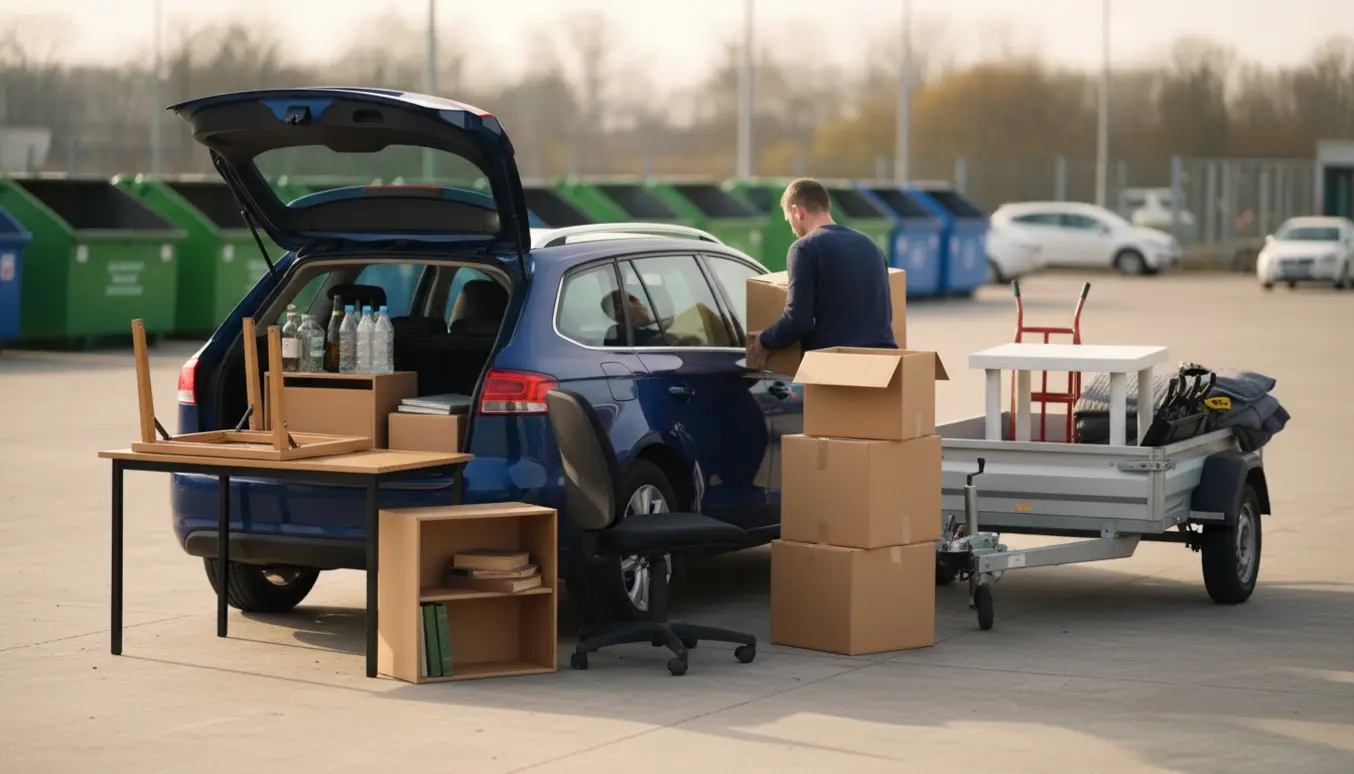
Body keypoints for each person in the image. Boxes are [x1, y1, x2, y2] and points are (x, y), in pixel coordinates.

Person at [747, 178, 897, 369]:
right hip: (881, 367)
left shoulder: (805, 248)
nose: (792, 228)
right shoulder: (872, 247)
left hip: (834, 368)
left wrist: (765, 341)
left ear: (797, 211)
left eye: (789, 219)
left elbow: (798, 320)